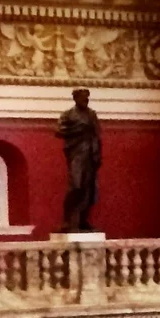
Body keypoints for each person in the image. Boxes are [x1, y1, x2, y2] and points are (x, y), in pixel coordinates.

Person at [56, 88, 102, 234]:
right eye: (83, 98)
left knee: (88, 189)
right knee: (76, 186)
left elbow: (97, 134)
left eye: (87, 98)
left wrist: (97, 153)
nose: (86, 100)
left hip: (90, 153)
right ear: (75, 99)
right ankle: (67, 220)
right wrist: (78, 129)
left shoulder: (92, 114)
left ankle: (82, 221)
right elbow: (58, 131)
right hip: (76, 153)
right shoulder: (68, 115)